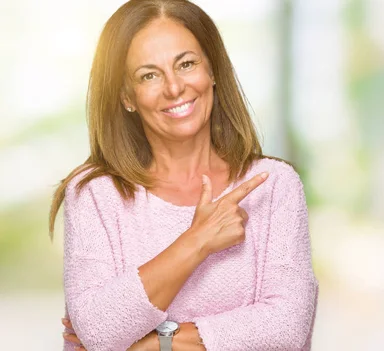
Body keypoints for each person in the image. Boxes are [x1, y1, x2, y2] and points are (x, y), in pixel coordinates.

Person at [48, 1, 319, 350]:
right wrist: (198, 239)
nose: (174, 88)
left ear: (213, 70)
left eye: (187, 64)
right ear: (127, 96)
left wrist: (151, 343)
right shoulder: (96, 194)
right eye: (149, 75)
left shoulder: (273, 184)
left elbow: (286, 328)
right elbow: (98, 329)